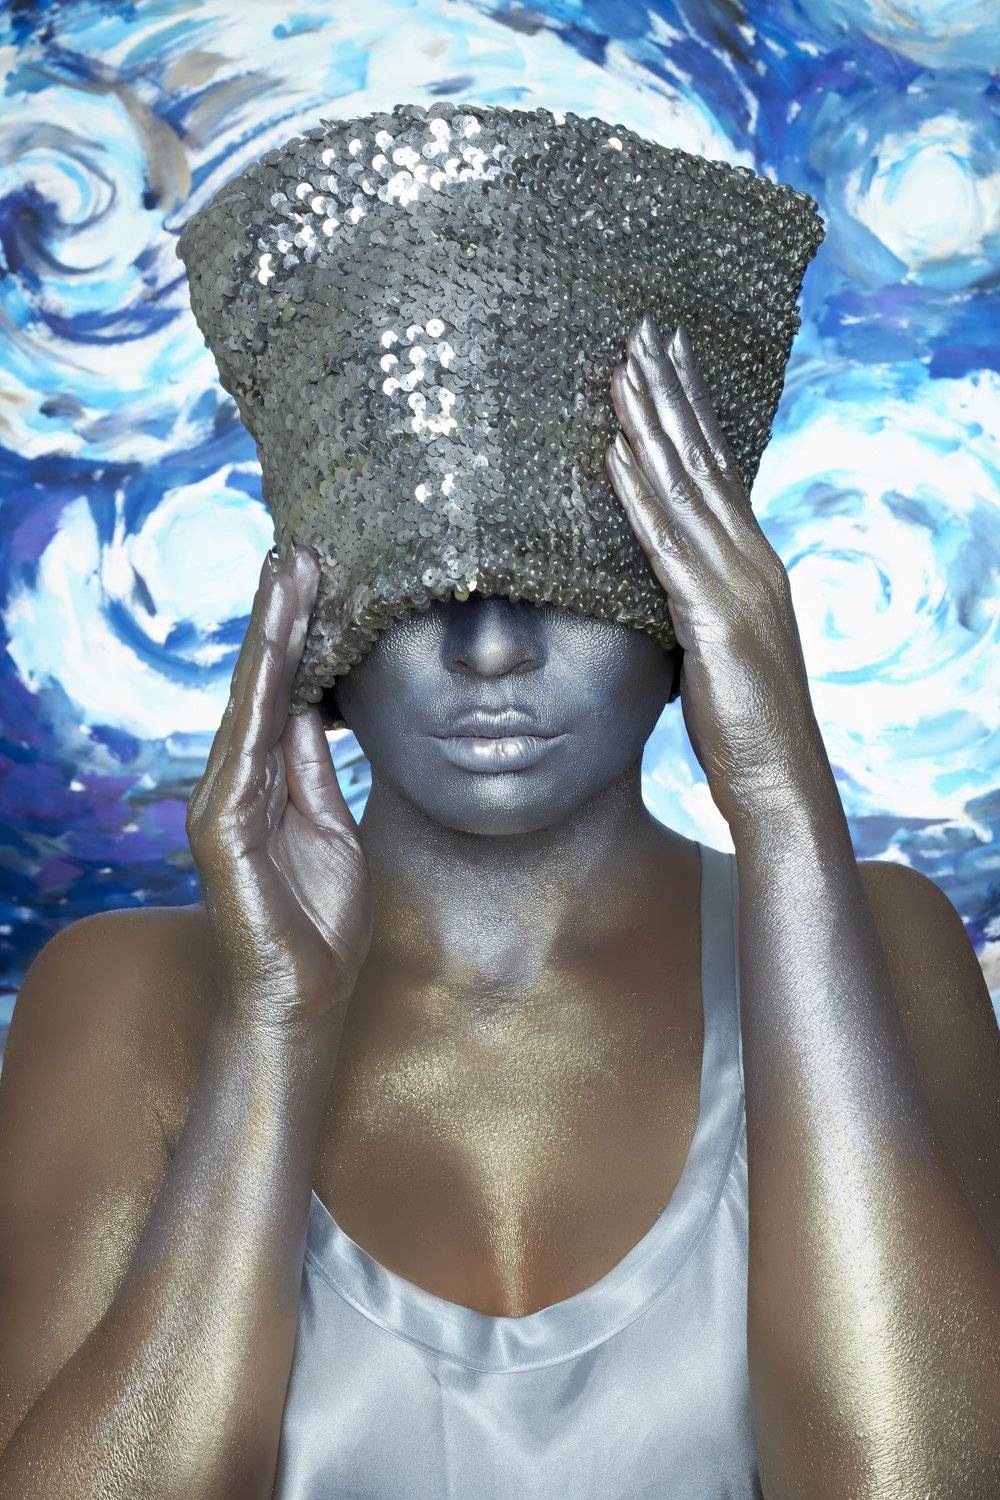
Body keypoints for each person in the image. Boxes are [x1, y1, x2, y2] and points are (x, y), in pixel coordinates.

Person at [1, 106, 999, 1500]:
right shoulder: (130, 995)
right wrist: (274, 1035)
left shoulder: (879, 948)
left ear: (695, 592)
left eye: (558, 576)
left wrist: (782, 792)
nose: (488, 650)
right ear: (317, 616)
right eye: (425, 586)